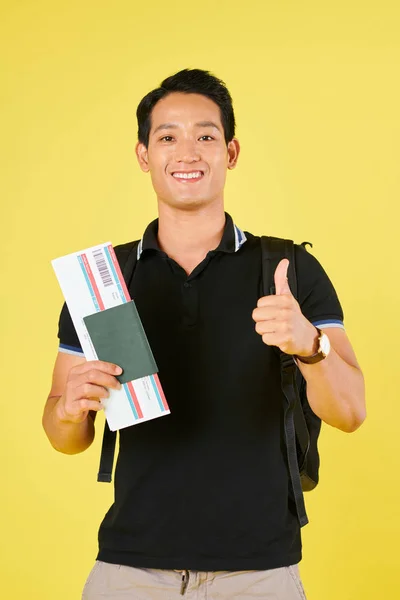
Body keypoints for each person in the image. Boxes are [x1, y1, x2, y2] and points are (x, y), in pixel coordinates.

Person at [42, 68, 366, 599]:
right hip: (129, 569)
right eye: (167, 136)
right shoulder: (104, 280)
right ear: (144, 155)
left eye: (206, 136)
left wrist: (310, 345)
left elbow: (351, 412)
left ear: (231, 152)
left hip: (260, 572)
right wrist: (68, 408)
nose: (187, 152)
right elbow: (64, 438)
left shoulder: (288, 268)